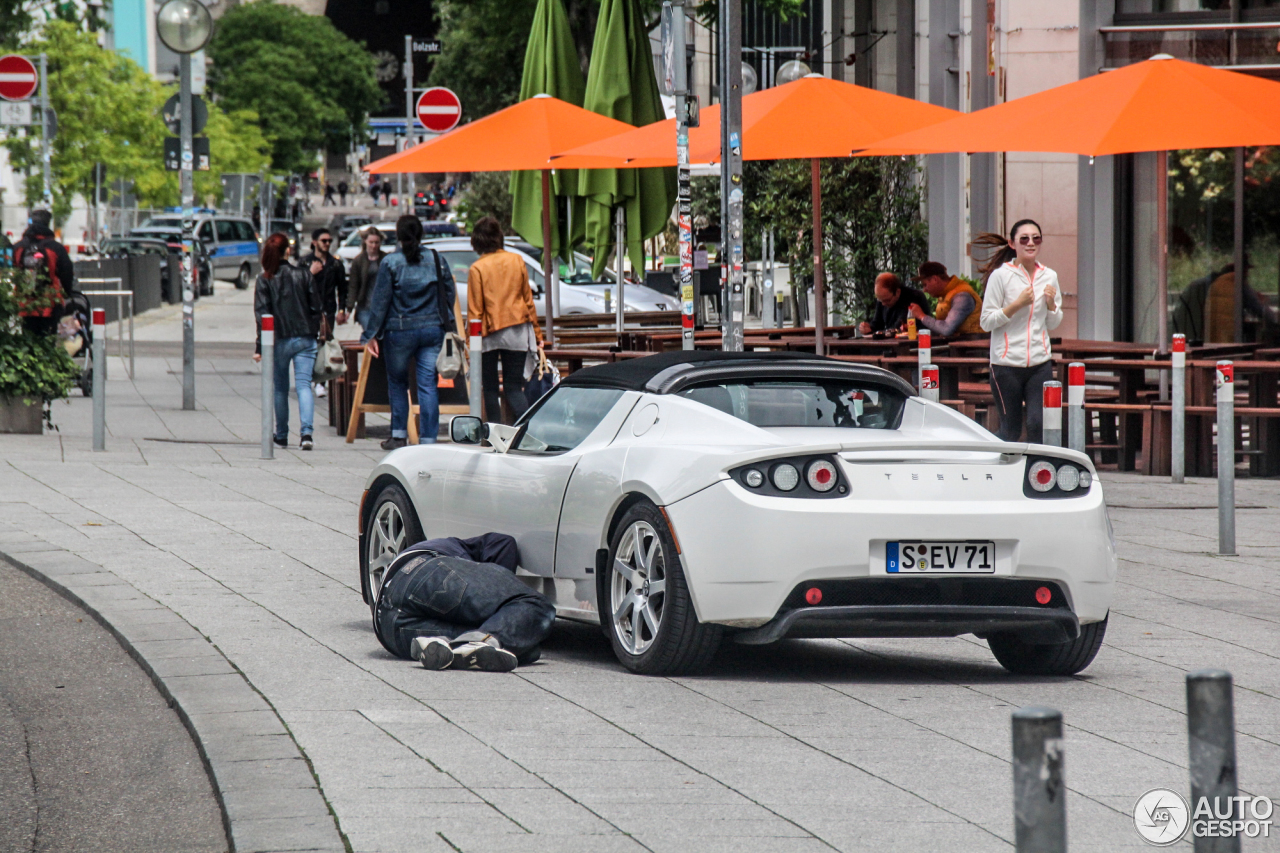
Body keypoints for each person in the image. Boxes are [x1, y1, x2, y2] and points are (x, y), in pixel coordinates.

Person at [374, 533, 555, 672]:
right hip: (421, 569)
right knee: (534, 606)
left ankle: (443, 645)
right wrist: (503, 604)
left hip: (388, 628)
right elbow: (504, 542)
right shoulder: (480, 545)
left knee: (524, 650)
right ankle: (481, 641)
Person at [361, 215, 456, 450]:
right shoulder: (436, 259)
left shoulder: (391, 263)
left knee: (397, 382)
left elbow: (380, 301)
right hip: (432, 329)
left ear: (398, 236)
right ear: (421, 234)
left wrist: (371, 333)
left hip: (399, 331)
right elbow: (449, 293)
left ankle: (399, 434)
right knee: (427, 384)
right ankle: (428, 440)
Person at [977, 219, 1063, 444]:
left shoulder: (1049, 276)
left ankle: (1036, 475)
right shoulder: (1001, 276)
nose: (1030, 243)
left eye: (1036, 238)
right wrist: (1016, 305)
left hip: (1039, 364)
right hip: (1006, 366)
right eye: (1024, 239)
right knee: (1010, 431)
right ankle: (995, 468)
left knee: (1037, 425)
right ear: (1012, 243)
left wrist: (1052, 304)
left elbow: (1053, 323)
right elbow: (986, 322)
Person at [466, 216, 543, 424]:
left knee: (490, 389)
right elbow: (528, 300)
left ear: (477, 241)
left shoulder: (477, 269)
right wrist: (537, 334)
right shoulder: (517, 261)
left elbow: (475, 312)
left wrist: (468, 345)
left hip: (489, 334)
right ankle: (525, 431)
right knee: (514, 388)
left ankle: (494, 437)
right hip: (517, 330)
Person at [254, 233, 324, 450]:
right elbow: (316, 308)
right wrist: (312, 331)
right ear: (288, 251)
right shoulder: (303, 275)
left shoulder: (264, 279)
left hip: (279, 339)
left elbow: (262, 315)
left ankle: (282, 434)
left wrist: (260, 347)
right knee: (304, 385)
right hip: (305, 337)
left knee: (280, 388)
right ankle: (306, 435)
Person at [298, 228, 348, 400]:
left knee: (325, 344)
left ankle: (321, 382)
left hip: (327, 311)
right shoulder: (305, 263)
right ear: (314, 242)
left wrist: (342, 310)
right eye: (324, 241)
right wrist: (311, 273)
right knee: (309, 345)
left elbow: (343, 289)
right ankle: (309, 377)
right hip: (308, 311)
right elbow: (297, 286)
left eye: (329, 241)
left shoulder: (335, 264)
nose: (327, 244)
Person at [14, 210, 75, 337]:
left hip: (25, 303)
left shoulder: (18, 247)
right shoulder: (55, 247)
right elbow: (67, 272)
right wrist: (67, 293)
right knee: (47, 339)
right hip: (50, 303)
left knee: (28, 338)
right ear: (48, 223)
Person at [908, 261, 984, 338]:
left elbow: (946, 329)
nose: (924, 290)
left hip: (973, 346)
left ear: (935, 279)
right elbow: (941, 328)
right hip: (959, 345)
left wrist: (922, 316)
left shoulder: (962, 295)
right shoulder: (945, 295)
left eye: (925, 285)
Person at [858, 272, 929, 336]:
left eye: (887, 300)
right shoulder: (883, 299)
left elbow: (900, 325)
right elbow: (877, 324)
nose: (883, 304)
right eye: (880, 300)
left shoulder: (913, 297)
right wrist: (868, 328)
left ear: (897, 292)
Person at [346, 226, 387, 330]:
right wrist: (349, 308)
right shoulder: (358, 261)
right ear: (365, 241)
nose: (374, 245)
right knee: (370, 332)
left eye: (376, 242)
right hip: (365, 306)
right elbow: (353, 286)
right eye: (371, 242)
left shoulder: (386, 259)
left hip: (383, 306)